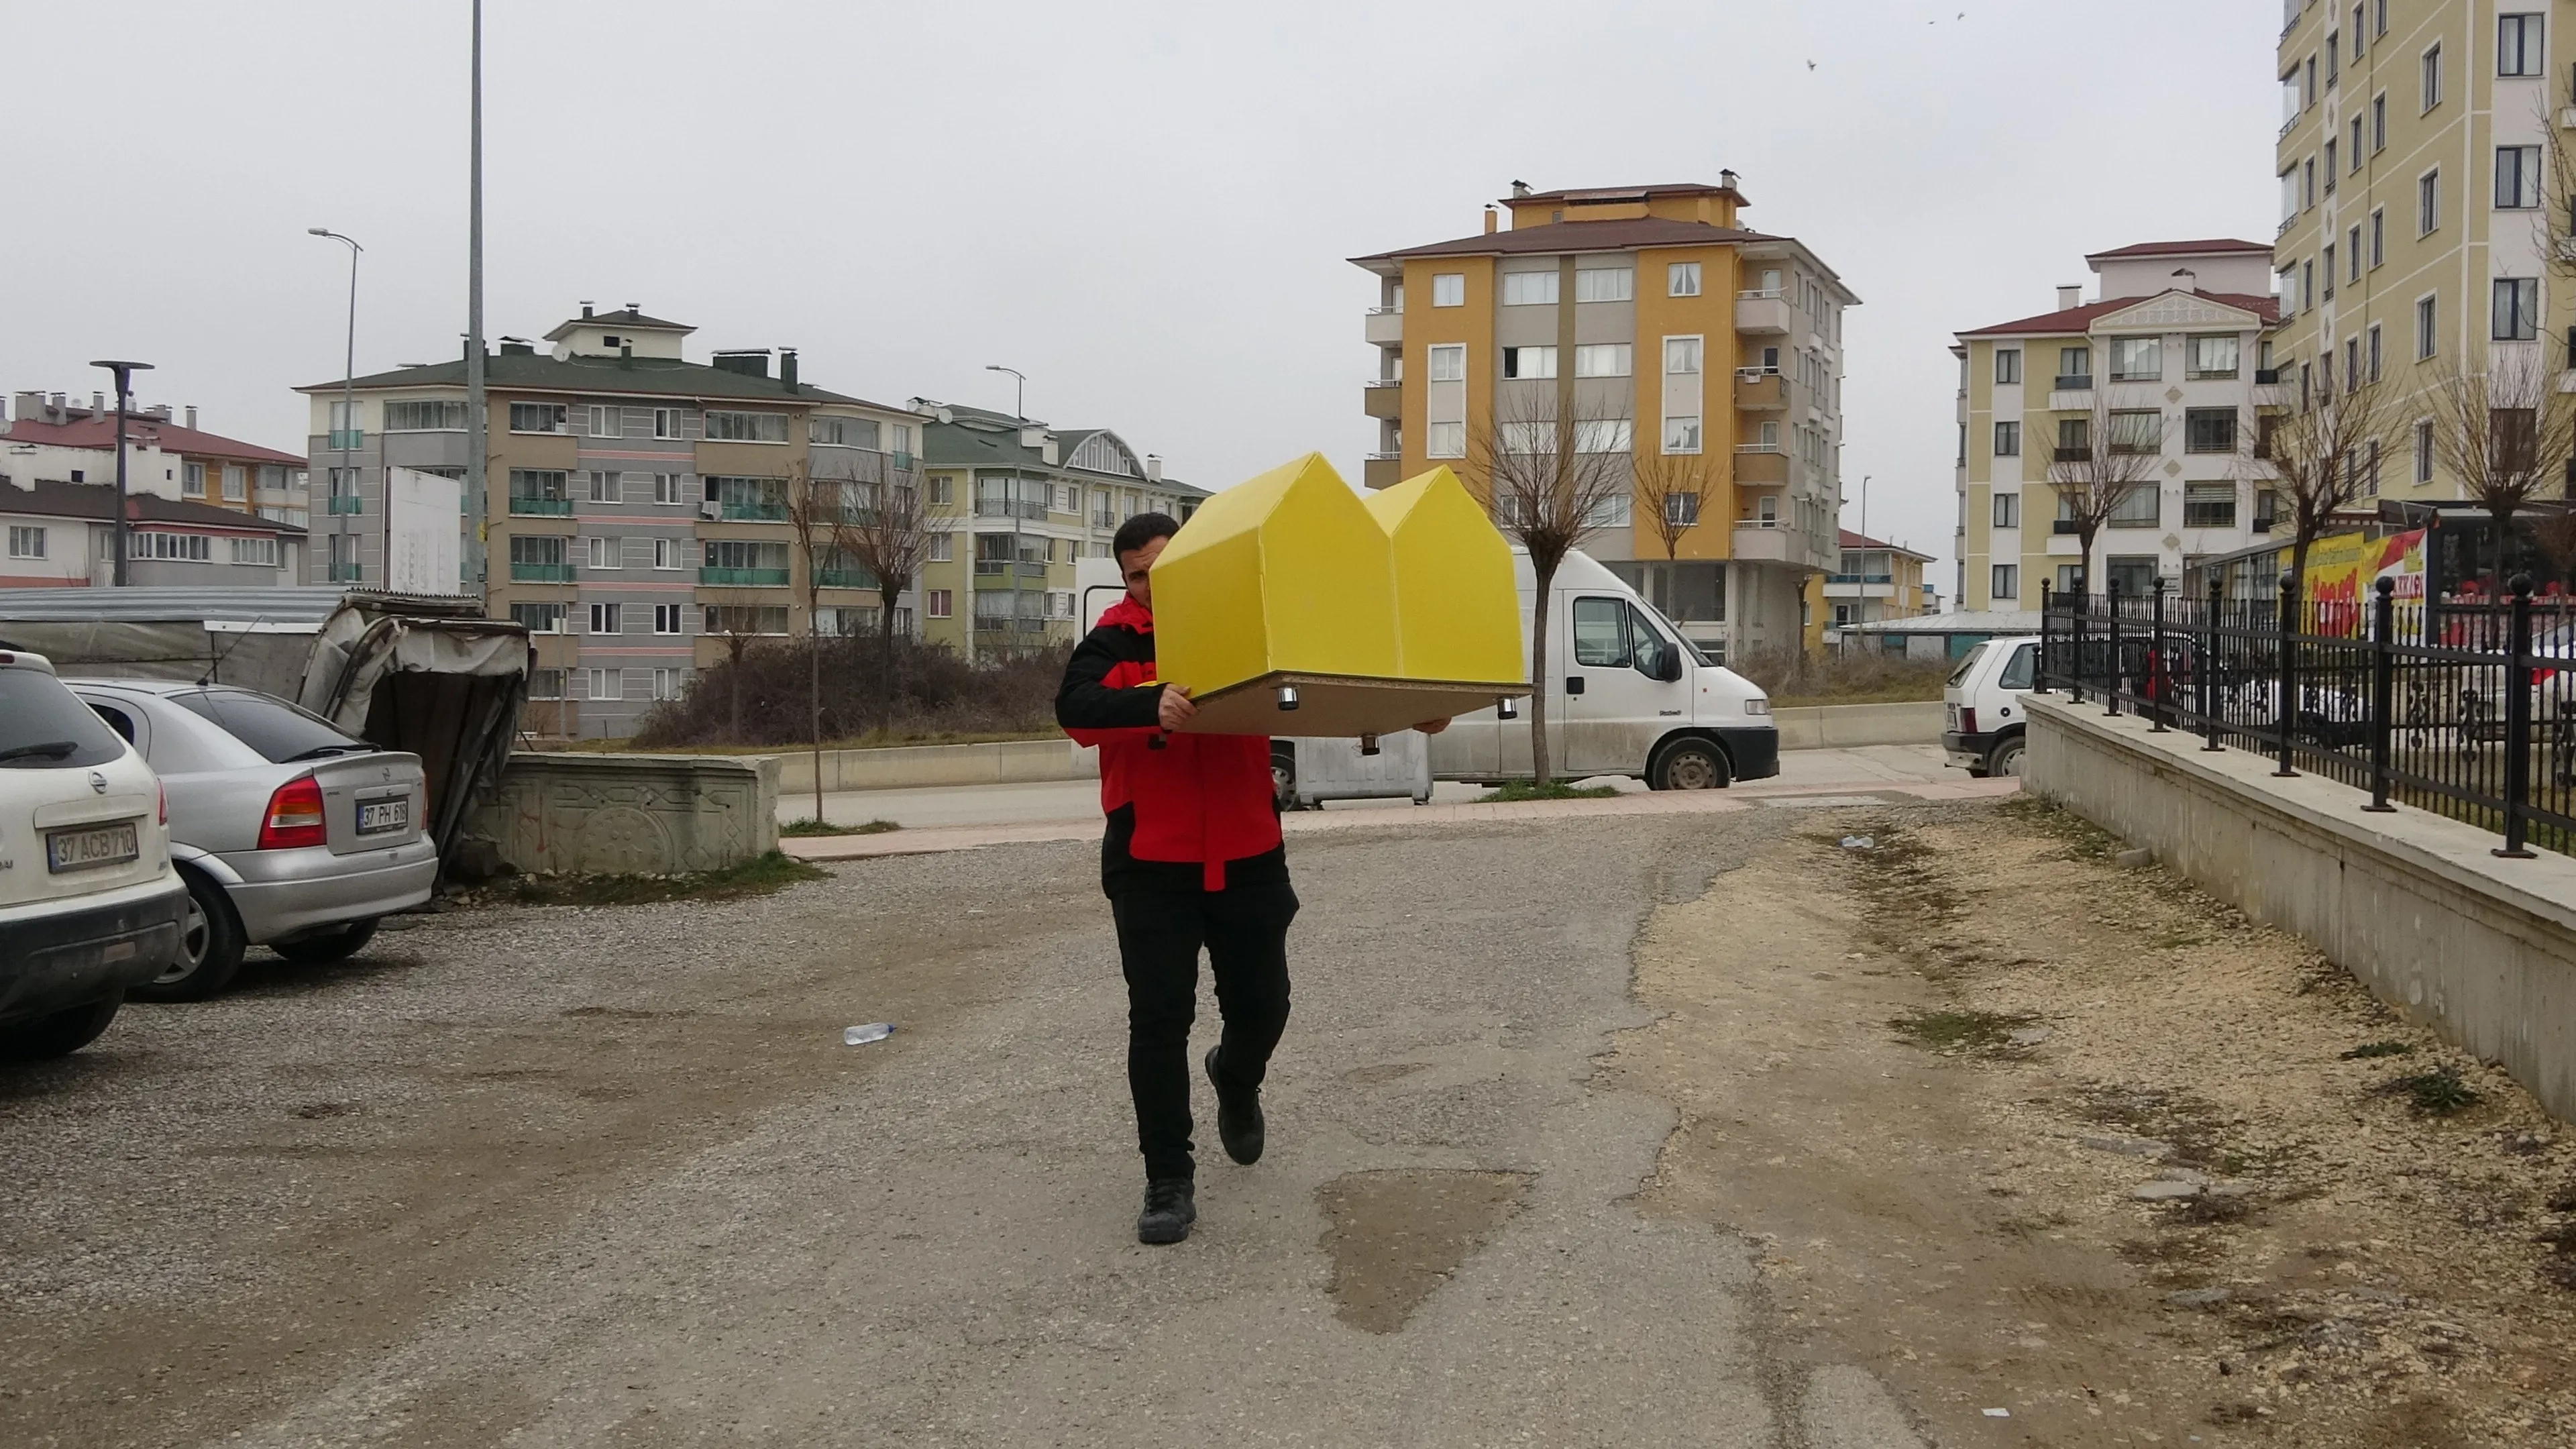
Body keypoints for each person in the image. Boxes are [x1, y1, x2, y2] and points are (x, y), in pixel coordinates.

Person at [1057, 512, 1442, 1244]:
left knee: (1264, 1007)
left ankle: (1236, 1076)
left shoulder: (1250, 627)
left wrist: (1413, 709)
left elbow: (1335, 675)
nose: (1152, 586)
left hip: (1248, 853)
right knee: (1159, 1023)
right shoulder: (1115, 640)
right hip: (1150, 862)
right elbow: (1074, 707)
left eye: (1165, 570)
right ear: (1126, 580)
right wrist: (1150, 701)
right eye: (1139, 575)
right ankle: (1168, 1180)